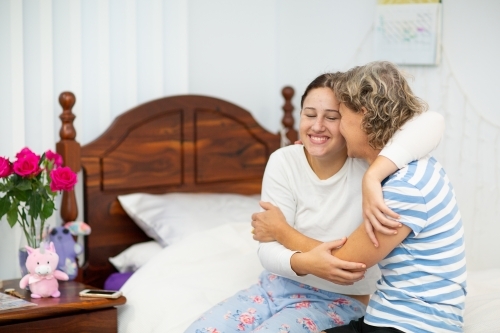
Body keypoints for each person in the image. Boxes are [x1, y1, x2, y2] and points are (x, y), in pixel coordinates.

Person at [184, 71, 444, 333]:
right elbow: (266, 248)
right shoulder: (283, 161)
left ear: (352, 121)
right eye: (309, 115)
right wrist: (304, 263)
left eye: (332, 117)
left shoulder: (373, 164)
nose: (317, 126)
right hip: (275, 286)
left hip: (342, 299)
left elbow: (431, 122)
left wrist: (372, 176)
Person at [255, 61, 466, 333]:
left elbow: (345, 263)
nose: (333, 127)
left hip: (411, 326)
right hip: (389, 317)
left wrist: (280, 230)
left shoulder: (405, 187)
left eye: (338, 116)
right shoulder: (407, 165)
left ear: (364, 116)